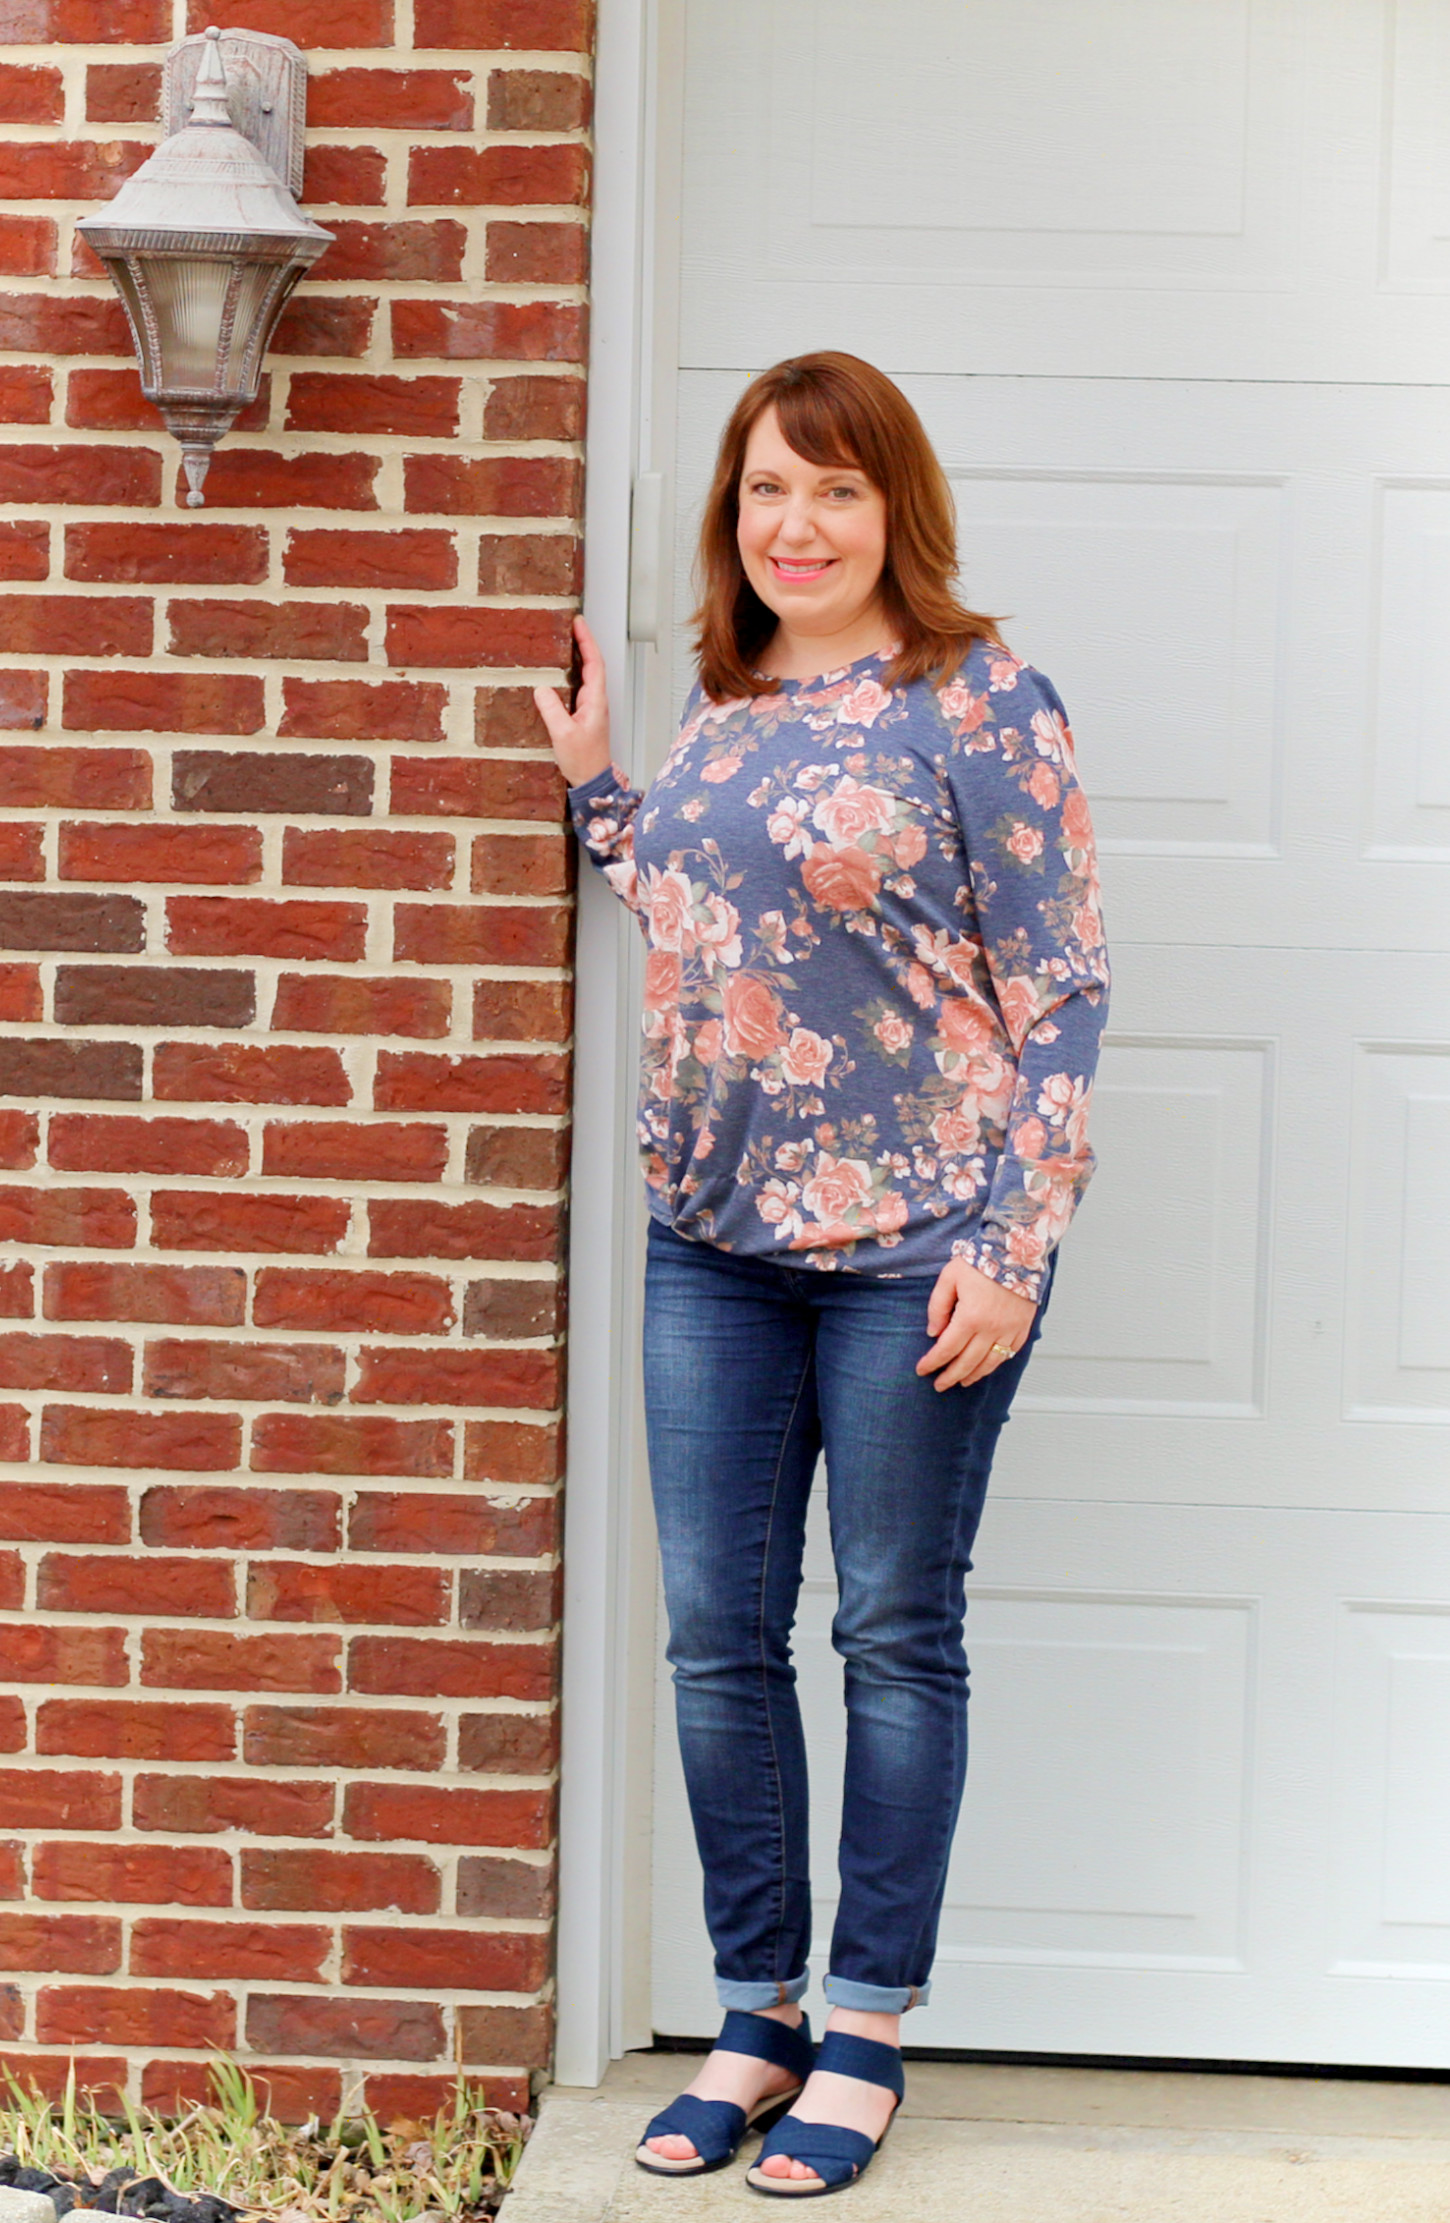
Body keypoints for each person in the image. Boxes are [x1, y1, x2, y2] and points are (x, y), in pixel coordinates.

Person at [536, 351, 1109, 2197]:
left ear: (894, 515)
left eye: (836, 493)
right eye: (769, 489)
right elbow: (712, 910)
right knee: (717, 1642)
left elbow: (1064, 992)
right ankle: (755, 2017)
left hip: (914, 1255)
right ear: (736, 512)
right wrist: (599, 795)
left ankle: (865, 2024)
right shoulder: (723, 706)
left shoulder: (979, 703)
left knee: (887, 1632)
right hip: (710, 1249)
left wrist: (1014, 1249)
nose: (797, 524)